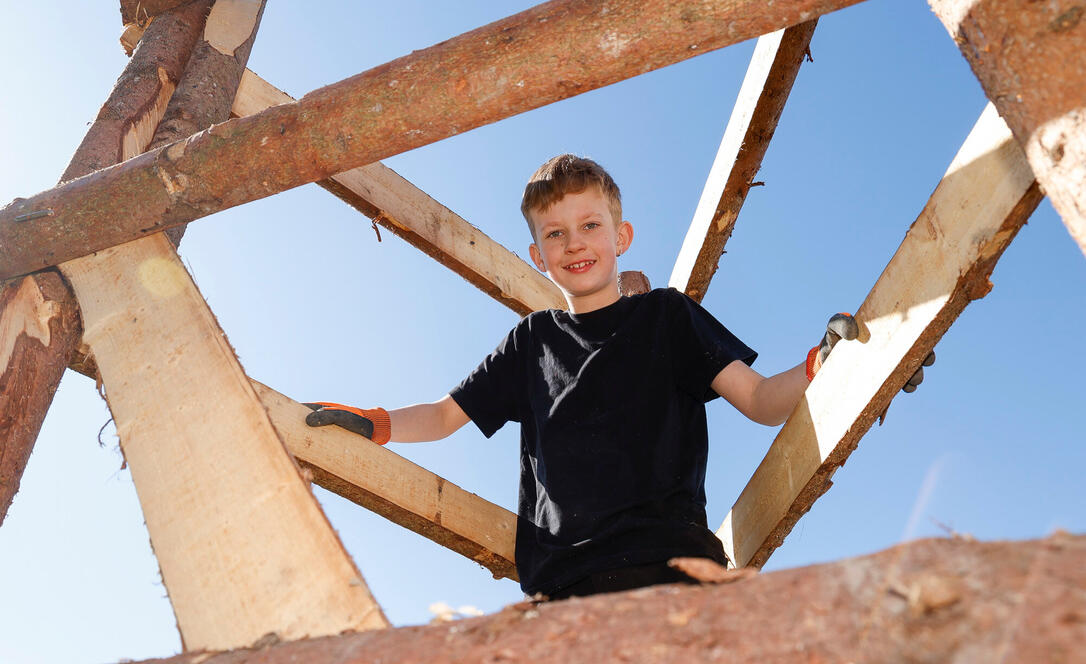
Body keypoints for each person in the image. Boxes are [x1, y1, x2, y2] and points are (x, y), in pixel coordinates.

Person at [306, 154, 925, 600]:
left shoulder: (667, 316)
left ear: (620, 235)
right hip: (565, 586)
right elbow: (445, 416)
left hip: (672, 568)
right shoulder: (531, 342)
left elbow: (763, 402)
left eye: (590, 226)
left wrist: (831, 364)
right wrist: (378, 423)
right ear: (538, 257)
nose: (575, 244)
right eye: (555, 234)